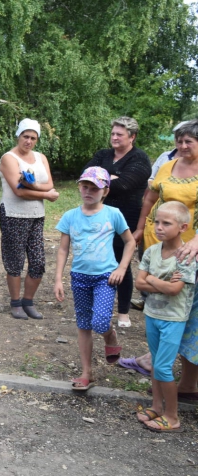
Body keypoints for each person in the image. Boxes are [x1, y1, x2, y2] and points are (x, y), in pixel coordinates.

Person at [120, 120, 198, 380]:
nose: (183, 146)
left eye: (189, 141)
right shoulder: (167, 165)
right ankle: (153, 359)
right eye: (179, 141)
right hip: (158, 243)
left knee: (187, 311)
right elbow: (150, 198)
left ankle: (185, 381)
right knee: (157, 304)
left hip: (190, 251)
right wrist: (141, 228)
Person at [53, 166, 136, 391]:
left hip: (105, 277)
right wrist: (58, 279)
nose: (88, 192)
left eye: (95, 188)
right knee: (83, 324)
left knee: (99, 321)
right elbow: (63, 250)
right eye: (85, 186)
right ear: (79, 187)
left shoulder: (113, 214)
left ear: (105, 191)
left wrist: (121, 268)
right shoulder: (70, 216)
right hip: (79, 276)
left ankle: (110, 337)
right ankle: (86, 373)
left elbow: (130, 242)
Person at [134, 201, 196, 432]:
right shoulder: (151, 251)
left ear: (182, 227)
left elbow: (174, 290)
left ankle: (172, 416)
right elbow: (140, 282)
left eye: (166, 223)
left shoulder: (186, 256)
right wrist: (156, 281)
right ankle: (157, 407)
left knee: (162, 367)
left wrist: (151, 280)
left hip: (173, 319)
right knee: (156, 366)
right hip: (152, 314)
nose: (159, 227)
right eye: (156, 222)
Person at [84, 117, 151, 327]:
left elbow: (123, 185)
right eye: (113, 133)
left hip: (126, 217)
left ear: (132, 137)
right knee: (96, 258)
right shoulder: (103, 154)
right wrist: (111, 178)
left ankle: (123, 312)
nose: (114, 137)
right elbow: (86, 176)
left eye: (119, 134)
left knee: (122, 263)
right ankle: (97, 304)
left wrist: (103, 178)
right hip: (98, 215)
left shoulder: (139, 158)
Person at [0, 118, 59, 320]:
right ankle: (15, 303)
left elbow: (49, 183)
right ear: (19, 136)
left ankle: (28, 301)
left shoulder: (41, 158)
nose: (29, 141)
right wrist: (45, 194)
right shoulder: (9, 158)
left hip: (36, 215)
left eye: (33, 138)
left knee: (38, 261)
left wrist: (31, 186)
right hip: (13, 214)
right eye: (26, 136)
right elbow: (18, 191)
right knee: (15, 260)